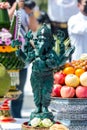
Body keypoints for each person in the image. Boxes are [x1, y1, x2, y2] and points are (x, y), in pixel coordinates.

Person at [8, 0, 38, 118]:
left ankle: (16, 117)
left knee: (19, 92)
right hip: (6, 56)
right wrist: (15, 6)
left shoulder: (25, 10)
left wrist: (30, 13)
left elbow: (34, 27)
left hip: (21, 58)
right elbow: (4, 23)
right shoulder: (4, 7)